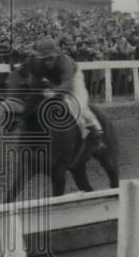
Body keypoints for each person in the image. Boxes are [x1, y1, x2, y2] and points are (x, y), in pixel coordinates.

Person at [7, 37, 104, 168]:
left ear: (57, 55)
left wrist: (54, 92)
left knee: (80, 106)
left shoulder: (65, 63)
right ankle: (21, 122)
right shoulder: (34, 61)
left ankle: (97, 134)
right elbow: (26, 73)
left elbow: (67, 84)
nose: (47, 62)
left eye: (50, 58)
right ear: (38, 57)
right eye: (43, 59)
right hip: (51, 79)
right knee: (32, 100)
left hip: (72, 80)